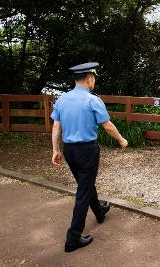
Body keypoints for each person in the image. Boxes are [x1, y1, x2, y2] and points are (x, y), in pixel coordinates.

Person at [51, 62, 128, 253]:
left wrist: (55, 150)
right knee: (83, 191)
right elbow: (107, 125)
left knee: (86, 184)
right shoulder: (93, 100)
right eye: (93, 78)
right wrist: (121, 139)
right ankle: (72, 238)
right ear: (88, 78)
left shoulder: (62, 100)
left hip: (69, 150)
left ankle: (100, 211)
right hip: (87, 150)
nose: (94, 81)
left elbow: (56, 127)